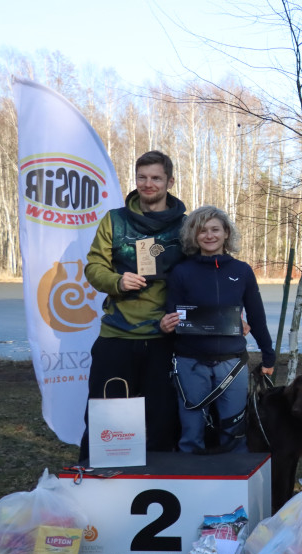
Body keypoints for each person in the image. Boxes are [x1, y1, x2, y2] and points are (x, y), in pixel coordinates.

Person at [79, 151, 187, 461]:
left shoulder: (186, 225)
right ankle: (97, 484)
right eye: (142, 177)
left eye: (156, 178)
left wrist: (231, 314)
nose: (148, 184)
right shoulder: (114, 220)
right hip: (117, 336)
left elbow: (203, 273)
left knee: (163, 421)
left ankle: (159, 480)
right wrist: (117, 281)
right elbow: (93, 267)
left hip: (165, 338)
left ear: (169, 181)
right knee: (107, 420)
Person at [159, 206, 274, 453]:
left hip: (232, 365)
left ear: (226, 233)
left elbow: (257, 315)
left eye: (215, 229)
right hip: (190, 363)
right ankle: (192, 483)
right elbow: (172, 314)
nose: (209, 236)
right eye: (202, 231)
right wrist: (166, 324)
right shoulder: (181, 271)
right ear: (193, 235)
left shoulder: (242, 271)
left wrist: (268, 354)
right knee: (191, 434)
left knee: (235, 435)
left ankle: (234, 487)